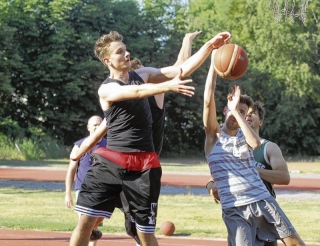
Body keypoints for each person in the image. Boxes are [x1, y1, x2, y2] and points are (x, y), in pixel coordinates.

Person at [68, 30, 231, 246]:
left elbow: (182, 68)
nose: (126, 54)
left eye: (125, 49)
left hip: (144, 165)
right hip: (111, 162)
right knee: (87, 222)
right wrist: (167, 85)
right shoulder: (106, 89)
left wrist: (210, 45)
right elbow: (136, 93)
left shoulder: (141, 74)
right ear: (107, 60)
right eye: (120, 52)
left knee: (144, 233)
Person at [202, 51, 305, 245]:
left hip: (261, 199)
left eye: (243, 112)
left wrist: (237, 111)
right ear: (224, 111)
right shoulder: (213, 136)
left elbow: (256, 144)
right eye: (232, 110)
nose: (236, 115)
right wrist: (214, 63)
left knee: (295, 243)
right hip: (234, 208)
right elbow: (208, 99)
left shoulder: (246, 135)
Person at [207, 100, 291, 246]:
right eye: (245, 113)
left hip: (263, 211)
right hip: (239, 212)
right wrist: (210, 187)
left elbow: (284, 177)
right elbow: (217, 176)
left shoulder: (268, 147)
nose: (248, 116)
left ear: (261, 122)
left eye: (253, 114)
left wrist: (252, 171)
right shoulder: (232, 144)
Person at [65, 116, 107, 246]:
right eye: (93, 125)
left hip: (101, 190)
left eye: (99, 124)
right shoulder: (79, 145)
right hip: (83, 188)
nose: (96, 127)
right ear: (88, 127)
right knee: (84, 225)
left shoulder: (109, 145)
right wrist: (68, 193)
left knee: (95, 227)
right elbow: (71, 170)